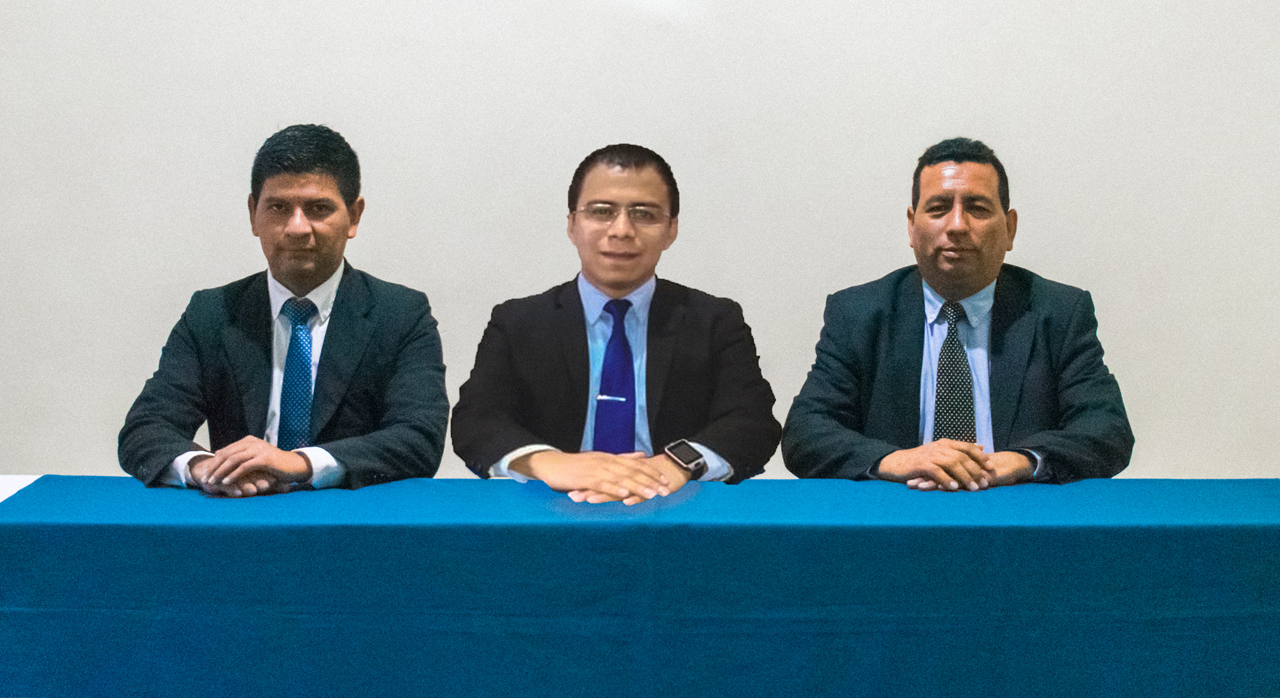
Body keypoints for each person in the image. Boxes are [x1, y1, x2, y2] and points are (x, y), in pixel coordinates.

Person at [783, 137, 1133, 490]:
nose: (957, 226)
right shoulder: (858, 313)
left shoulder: (1058, 312)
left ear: (1009, 228)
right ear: (911, 225)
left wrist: (1022, 461)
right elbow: (805, 433)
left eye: (977, 209)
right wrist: (899, 460)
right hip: (897, 513)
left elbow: (1108, 430)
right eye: (938, 208)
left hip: (1015, 511)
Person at [118, 124, 448, 496]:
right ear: (253, 214)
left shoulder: (400, 315)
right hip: (241, 513)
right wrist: (203, 468)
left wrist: (300, 463)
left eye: (318, 209)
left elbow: (419, 439)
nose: (297, 228)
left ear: (354, 216)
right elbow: (145, 429)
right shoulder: (211, 314)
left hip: (353, 520)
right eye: (278, 208)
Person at [452, 144, 780, 504]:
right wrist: (550, 463)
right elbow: (477, 420)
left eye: (644, 214)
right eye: (601, 212)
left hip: (674, 508)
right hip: (550, 511)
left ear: (671, 230)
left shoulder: (714, 320)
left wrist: (677, 464)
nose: (621, 230)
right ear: (572, 224)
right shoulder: (520, 322)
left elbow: (751, 422)